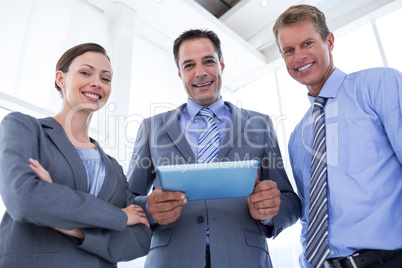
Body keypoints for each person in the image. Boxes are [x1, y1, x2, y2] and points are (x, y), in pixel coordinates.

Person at [126, 29, 301, 268]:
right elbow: (126, 200)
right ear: (180, 73)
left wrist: (270, 211)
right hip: (171, 260)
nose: (200, 73)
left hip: (245, 260)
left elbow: (290, 201)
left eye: (208, 61)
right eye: (189, 65)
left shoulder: (259, 125)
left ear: (222, 64)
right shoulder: (151, 128)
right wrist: (148, 208)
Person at [0, 43, 152, 268]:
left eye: (106, 78)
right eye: (85, 72)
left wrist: (67, 222)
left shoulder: (114, 169)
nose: (97, 83)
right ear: (61, 79)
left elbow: (140, 239)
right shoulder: (24, 128)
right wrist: (119, 217)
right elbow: (24, 199)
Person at [273, 4, 402, 268]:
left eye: (307, 43)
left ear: (329, 41)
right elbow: (311, 215)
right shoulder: (297, 137)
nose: (299, 56)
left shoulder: (378, 85)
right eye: (289, 50)